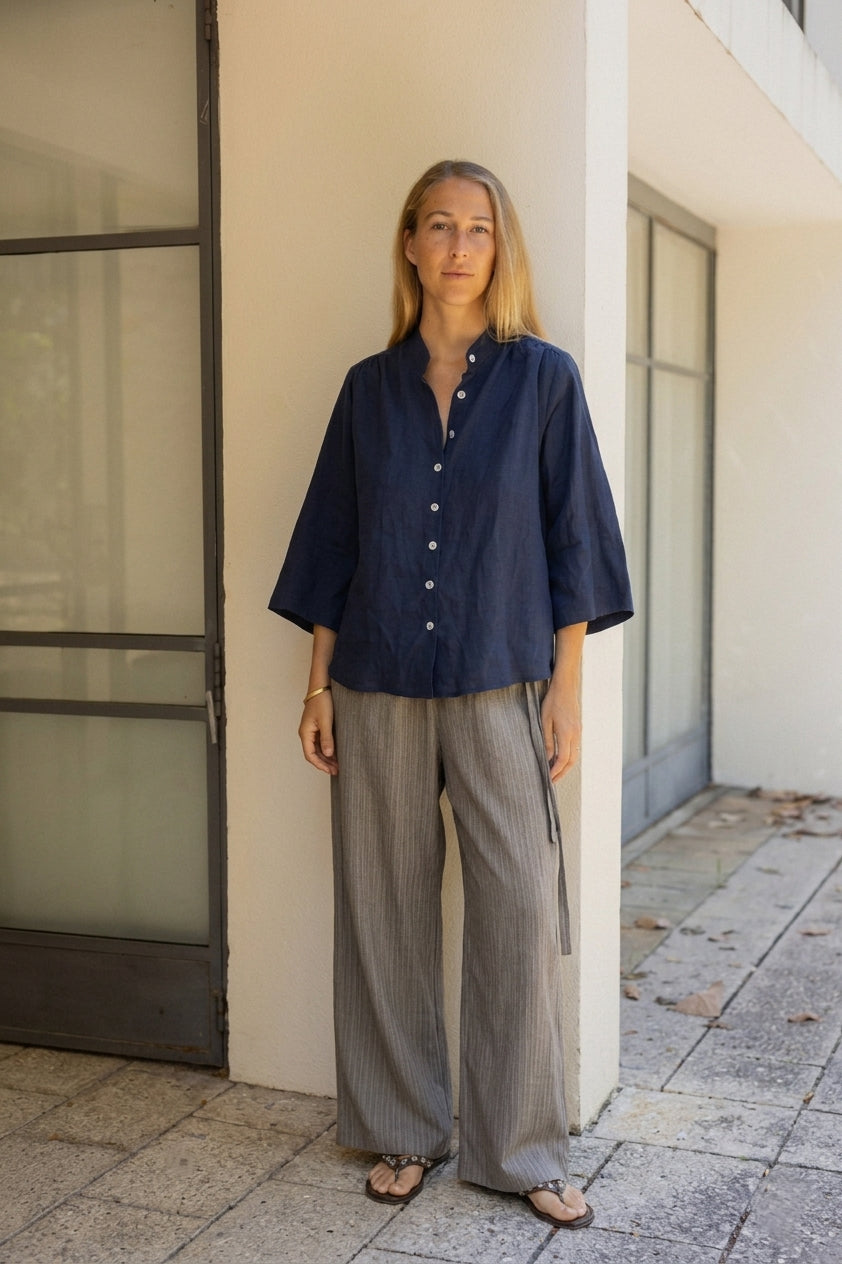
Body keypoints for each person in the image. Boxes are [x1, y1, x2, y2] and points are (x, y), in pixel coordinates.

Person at [269, 160, 632, 1230]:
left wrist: (564, 689)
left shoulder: (543, 381)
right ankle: (402, 1126)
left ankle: (521, 1147)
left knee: (519, 906)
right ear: (411, 245)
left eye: (478, 228)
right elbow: (332, 546)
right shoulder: (364, 390)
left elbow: (574, 540)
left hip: (498, 681)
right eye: (440, 225)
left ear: (497, 247)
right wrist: (316, 685)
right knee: (382, 906)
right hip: (375, 680)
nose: (459, 245)